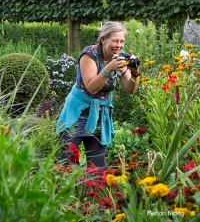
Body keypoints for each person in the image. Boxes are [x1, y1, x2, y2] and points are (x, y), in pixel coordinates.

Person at [56, 21, 140, 168]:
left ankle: (91, 189)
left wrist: (135, 72)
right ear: (103, 39)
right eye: (115, 41)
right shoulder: (89, 54)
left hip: (100, 116)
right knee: (65, 162)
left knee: (97, 167)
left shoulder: (119, 57)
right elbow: (91, 87)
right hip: (77, 113)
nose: (119, 45)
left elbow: (130, 89)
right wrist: (108, 69)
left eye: (122, 41)